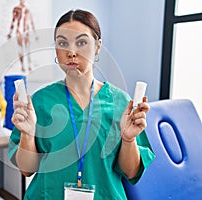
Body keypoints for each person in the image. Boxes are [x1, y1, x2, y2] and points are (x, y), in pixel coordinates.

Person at [8, 9, 155, 199]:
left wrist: (128, 139)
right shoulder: (39, 102)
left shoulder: (122, 103)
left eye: (82, 42)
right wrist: (28, 133)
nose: (71, 52)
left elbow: (131, 172)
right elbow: (27, 170)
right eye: (63, 43)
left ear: (97, 46)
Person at [7, 0, 37, 72]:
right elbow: (13, 21)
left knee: (28, 49)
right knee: (21, 49)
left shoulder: (27, 10)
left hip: (26, 32)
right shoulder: (16, 9)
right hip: (19, 32)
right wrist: (10, 33)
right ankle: (22, 66)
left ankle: (29, 65)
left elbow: (31, 22)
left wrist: (35, 33)